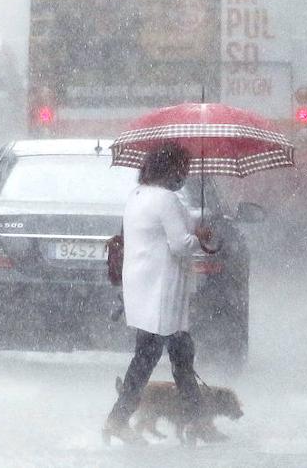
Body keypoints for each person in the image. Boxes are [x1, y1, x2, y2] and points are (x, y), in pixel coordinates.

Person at [103, 141, 219, 445]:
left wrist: (193, 229)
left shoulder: (139, 195)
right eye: (184, 168)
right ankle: (119, 419)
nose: (186, 174)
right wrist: (198, 238)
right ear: (172, 169)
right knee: (156, 357)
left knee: (177, 354)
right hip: (162, 292)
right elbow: (179, 244)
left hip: (145, 287)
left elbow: (170, 228)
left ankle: (196, 421)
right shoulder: (166, 199)